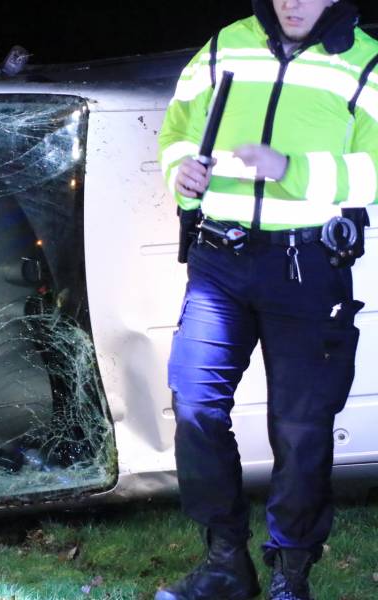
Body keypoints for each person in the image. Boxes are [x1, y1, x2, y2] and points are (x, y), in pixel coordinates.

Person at [156, 1, 377, 599]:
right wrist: (179, 171)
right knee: (196, 404)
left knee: (301, 427)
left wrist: (290, 168)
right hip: (218, 260)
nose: (293, 2)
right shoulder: (227, 42)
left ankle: (291, 573)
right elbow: (177, 129)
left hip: (307, 268)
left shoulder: (367, 61)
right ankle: (226, 562)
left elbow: (376, 168)